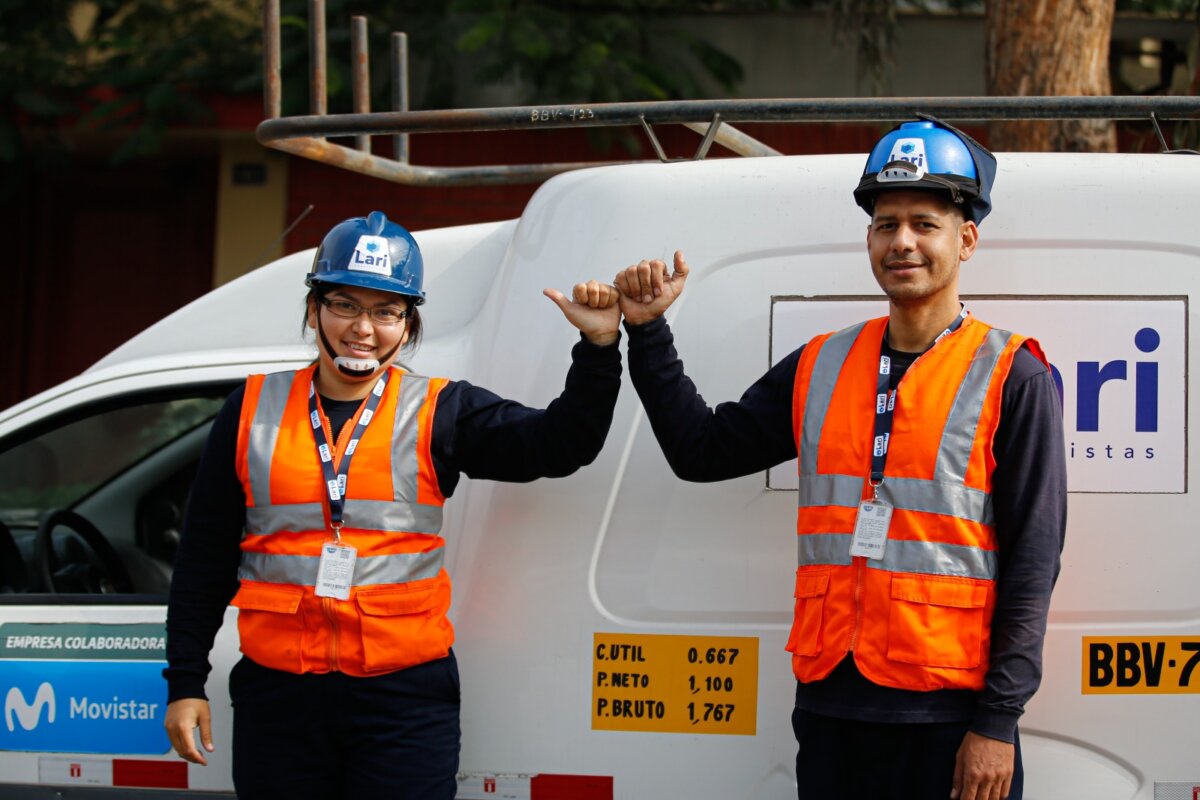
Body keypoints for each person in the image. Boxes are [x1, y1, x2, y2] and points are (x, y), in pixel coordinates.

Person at [610, 119, 1066, 800]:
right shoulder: (821, 364)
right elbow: (700, 452)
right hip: (831, 712)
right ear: (869, 240)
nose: (902, 241)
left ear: (966, 239)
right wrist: (648, 332)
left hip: (949, 720)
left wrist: (998, 722)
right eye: (885, 225)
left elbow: (1033, 564)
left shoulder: (1012, 374)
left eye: (924, 224)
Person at [163, 211, 621, 799]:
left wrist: (599, 346)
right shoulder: (251, 409)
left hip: (404, 701)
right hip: (279, 701)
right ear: (314, 308)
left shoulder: (439, 411)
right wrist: (185, 682)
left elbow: (561, 445)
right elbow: (203, 559)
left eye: (386, 311)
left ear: (408, 325)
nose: (363, 328)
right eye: (345, 305)